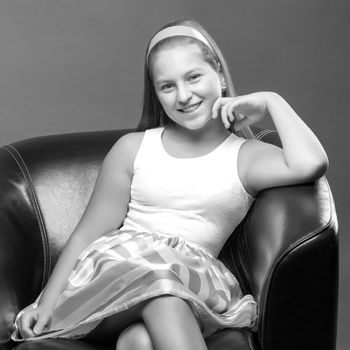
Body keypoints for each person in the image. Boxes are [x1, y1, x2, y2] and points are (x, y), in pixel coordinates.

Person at [11, 18, 329, 350]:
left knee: (139, 341)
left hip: (192, 281)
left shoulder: (245, 157)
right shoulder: (134, 148)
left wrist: (271, 101)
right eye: (167, 86)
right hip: (117, 275)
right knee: (163, 290)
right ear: (157, 94)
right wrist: (44, 303)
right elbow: (89, 232)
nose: (184, 95)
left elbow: (311, 162)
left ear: (219, 75)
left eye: (193, 77)